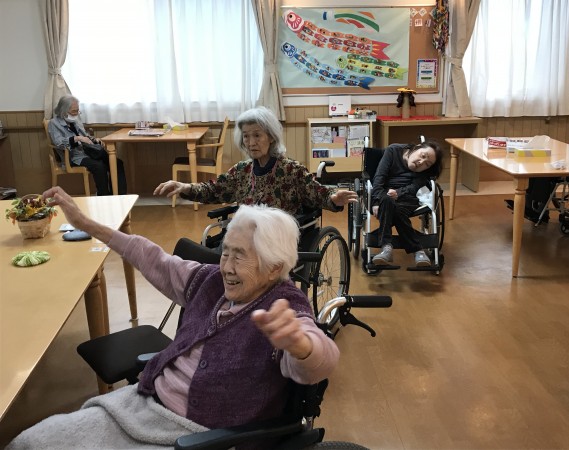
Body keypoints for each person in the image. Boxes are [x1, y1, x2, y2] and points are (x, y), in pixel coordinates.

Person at [7, 187, 339, 450]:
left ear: (274, 267)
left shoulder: (286, 308)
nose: (226, 266)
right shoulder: (210, 281)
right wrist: (86, 224)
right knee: (32, 441)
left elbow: (321, 359)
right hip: (143, 405)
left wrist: (300, 345)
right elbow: (151, 257)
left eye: (239, 256)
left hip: (197, 434)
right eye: (225, 251)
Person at [154, 106, 357, 215]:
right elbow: (214, 190)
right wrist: (185, 187)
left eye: (257, 135)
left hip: (276, 241)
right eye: (246, 136)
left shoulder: (290, 170)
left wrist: (333, 198)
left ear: (271, 137)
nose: (251, 142)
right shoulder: (241, 171)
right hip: (245, 238)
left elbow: (316, 193)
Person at [505, 89, 569, 222]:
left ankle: (537, 209)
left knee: (547, 172)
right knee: (540, 166)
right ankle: (532, 205)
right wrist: (568, 149)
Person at [370, 141, 443, 267]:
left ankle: (386, 248)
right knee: (387, 200)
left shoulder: (425, 172)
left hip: (408, 197)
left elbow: (414, 187)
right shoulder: (393, 150)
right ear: (417, 147)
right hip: (384, 194)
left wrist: (399, 192)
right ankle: (417, 250)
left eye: (427, 164)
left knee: (397, 210)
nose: (421, 162)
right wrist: (376, 200)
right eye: (422, 156)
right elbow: (379, 177)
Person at [48, 95, 127, 196]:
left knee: (117, 162)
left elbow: (85, 135)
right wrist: (77, 138)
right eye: (73, 111)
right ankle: (104, 197)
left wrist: (94, 140)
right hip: (74, 157)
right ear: (63, 111)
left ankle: (119, 195)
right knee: (99, 166)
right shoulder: (54, 123)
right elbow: (58, 142)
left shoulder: (75, 121)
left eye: (78, 111)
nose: (76, 114)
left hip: (88, 151)